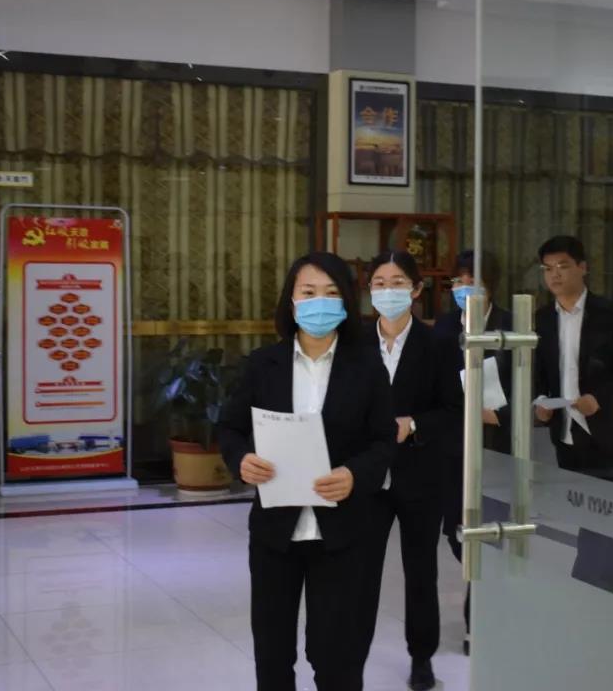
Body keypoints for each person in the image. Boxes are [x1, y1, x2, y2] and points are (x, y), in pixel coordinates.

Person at [218, 252, 397, 691]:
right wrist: (241, 459)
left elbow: (383, 441)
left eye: (331, 293)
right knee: (273, 653)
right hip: (275, 532)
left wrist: (355, 474)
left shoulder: (367, 366)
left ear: (346, 301)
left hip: (342, 534)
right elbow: (229, 427)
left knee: (336, 657)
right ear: (292, 300)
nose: (320, 302)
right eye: (309, 292)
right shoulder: (264, 364)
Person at [356, 251, 461, 691]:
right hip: (367, 478)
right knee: (360, 572)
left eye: (398, 282)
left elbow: (454, 410)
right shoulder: (354, 343)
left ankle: (422, 657)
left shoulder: (438, 344)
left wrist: (414, 424)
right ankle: (351, 657)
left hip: (420, 475)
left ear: (417, 290)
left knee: (421, 571)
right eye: (379, 283)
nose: (388, 291)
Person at [533, 236, 613, 596]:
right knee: (580, 499)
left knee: (600, 499)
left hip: (604, 424)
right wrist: (540, 403)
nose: (555, 275)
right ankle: (607, 564)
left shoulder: (611, 314)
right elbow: (540, 371)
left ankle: (594, 574)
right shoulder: (542, 318)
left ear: (583, 267)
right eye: (548, 269)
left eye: (563, 266)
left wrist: (600, 398)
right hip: (564, 425)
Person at [432, 249, 512, 653]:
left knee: (490, 529)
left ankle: (478, 616)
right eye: (458, 281)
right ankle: (483, 595)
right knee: (457, 530)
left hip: (497, 442)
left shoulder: (510, 325)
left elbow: (531, 381)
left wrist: (503, 414)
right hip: (453, 444)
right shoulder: (444, 327)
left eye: (472, 280)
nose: (464, 288)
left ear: (490, 283)